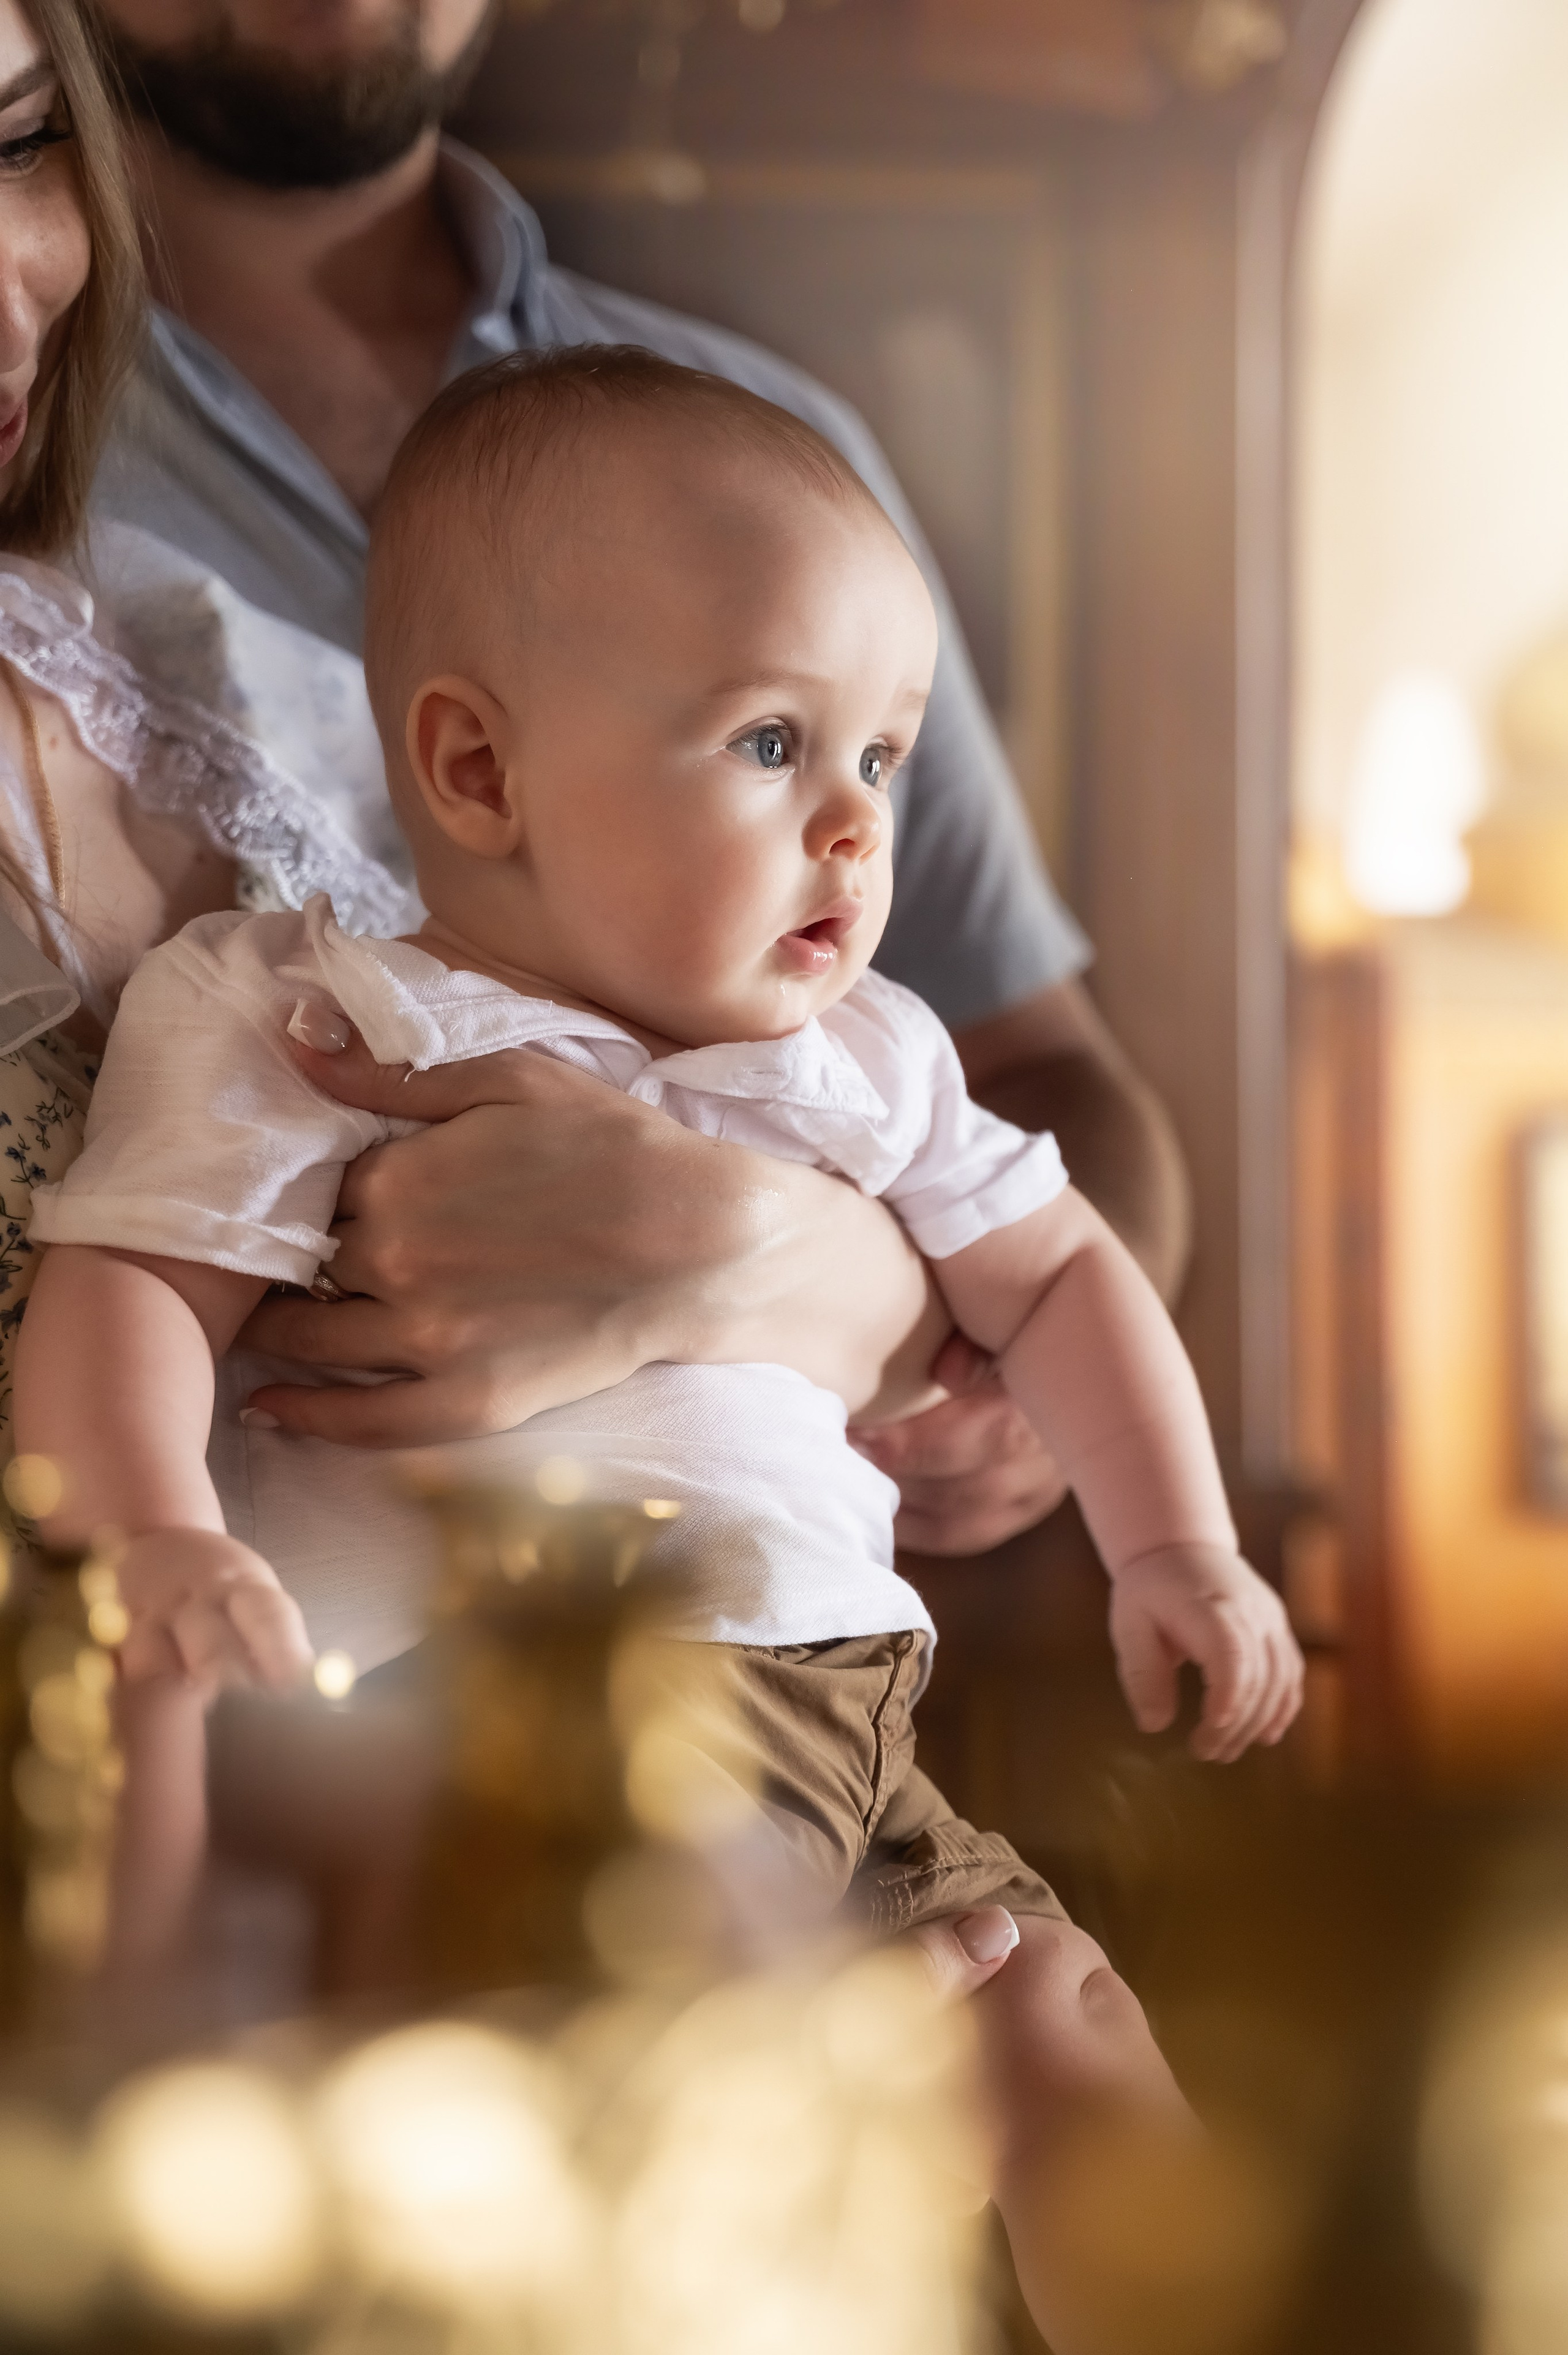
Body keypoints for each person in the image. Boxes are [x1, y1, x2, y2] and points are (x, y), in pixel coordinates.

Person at [18, 347, 1300, 2344]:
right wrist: (156, 1537)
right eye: (775, 743)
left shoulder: (868, 1059)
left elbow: (1059, 1274)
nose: (858, 833)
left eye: (886, 756)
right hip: (533, 1721)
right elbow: (129, 1291)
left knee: (1070, 2015)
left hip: (853, 1717)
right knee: (697, 2047)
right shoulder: (318, 1013)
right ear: (475, 771)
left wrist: (1177, 1545)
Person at [89, 0, 1193, 1559]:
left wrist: (811, 1282)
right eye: (766, 741)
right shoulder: (35, 434)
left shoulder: (775, 454)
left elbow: (1045, 1071)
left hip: (769, 1631)